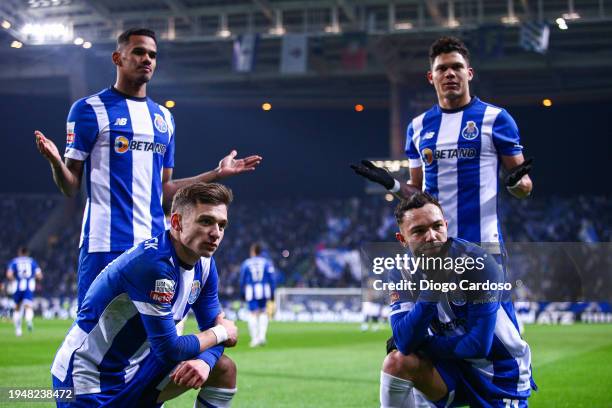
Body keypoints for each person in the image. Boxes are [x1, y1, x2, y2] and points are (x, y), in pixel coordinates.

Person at [34, 27, 262, 308]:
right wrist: (56, 161)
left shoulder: (164, 118)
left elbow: (166, 190)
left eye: (152, 55)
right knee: (93, 333)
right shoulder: (88, 110)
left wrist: (216, 174)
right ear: (118, 58)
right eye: (139, 52)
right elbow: (70, 186)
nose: (147, 59)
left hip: (153, 245)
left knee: (150, 341)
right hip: (104, 244)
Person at [51, 182, 239, 407]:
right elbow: (171, 349)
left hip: (138, 368)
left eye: (222, 225)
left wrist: (206, 362)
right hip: (87, 380)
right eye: (206, 221)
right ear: (177, 222)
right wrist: (221, 331)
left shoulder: (206, 265)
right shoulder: (152, 265)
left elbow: (214, 329)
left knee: (223, 368)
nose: (215, 233)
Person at [351, 36, 533, 248]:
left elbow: (525, 187)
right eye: (442, 69)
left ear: (469, 73)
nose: (450, 74)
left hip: (483, 245)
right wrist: (391, 183)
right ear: (431, 77)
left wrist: (514, 184)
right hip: (436, 248)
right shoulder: (417, 127)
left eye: (457, 67)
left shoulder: (496, 119)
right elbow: (417, 193)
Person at [379, 192, 535, 407]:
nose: (431, 236)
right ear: (402, 239)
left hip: (497, 371)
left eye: (437, 226)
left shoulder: (478, 263)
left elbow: (479, 346)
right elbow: (404, 341)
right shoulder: (401, 271)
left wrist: (421, 345)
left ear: (446, 225)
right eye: (419, 231)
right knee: (397, 362)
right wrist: (432, 289)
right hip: (449, 368)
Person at [240, 243, 275, 347]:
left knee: (253, 313)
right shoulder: (267, 263)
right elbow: (272, 279)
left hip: (251, 291)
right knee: (263, 312)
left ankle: (255, 339)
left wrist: (242, 292)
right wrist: (272, 292)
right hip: (265, 290)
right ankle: (262, 337)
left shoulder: (247, 263)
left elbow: (242, 279)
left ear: (253, 252)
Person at [6, 247, 43, 336]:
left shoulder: (14, 261)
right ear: (27, 253)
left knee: (17, 308)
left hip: (17, 286)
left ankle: (18, 330)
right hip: (28, 286)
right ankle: (29, 321)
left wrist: (13, 280)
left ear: (19, 252)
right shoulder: (32, 261)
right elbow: (39, 276)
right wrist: (34, 279)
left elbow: (9, 274)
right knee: (28, 306)